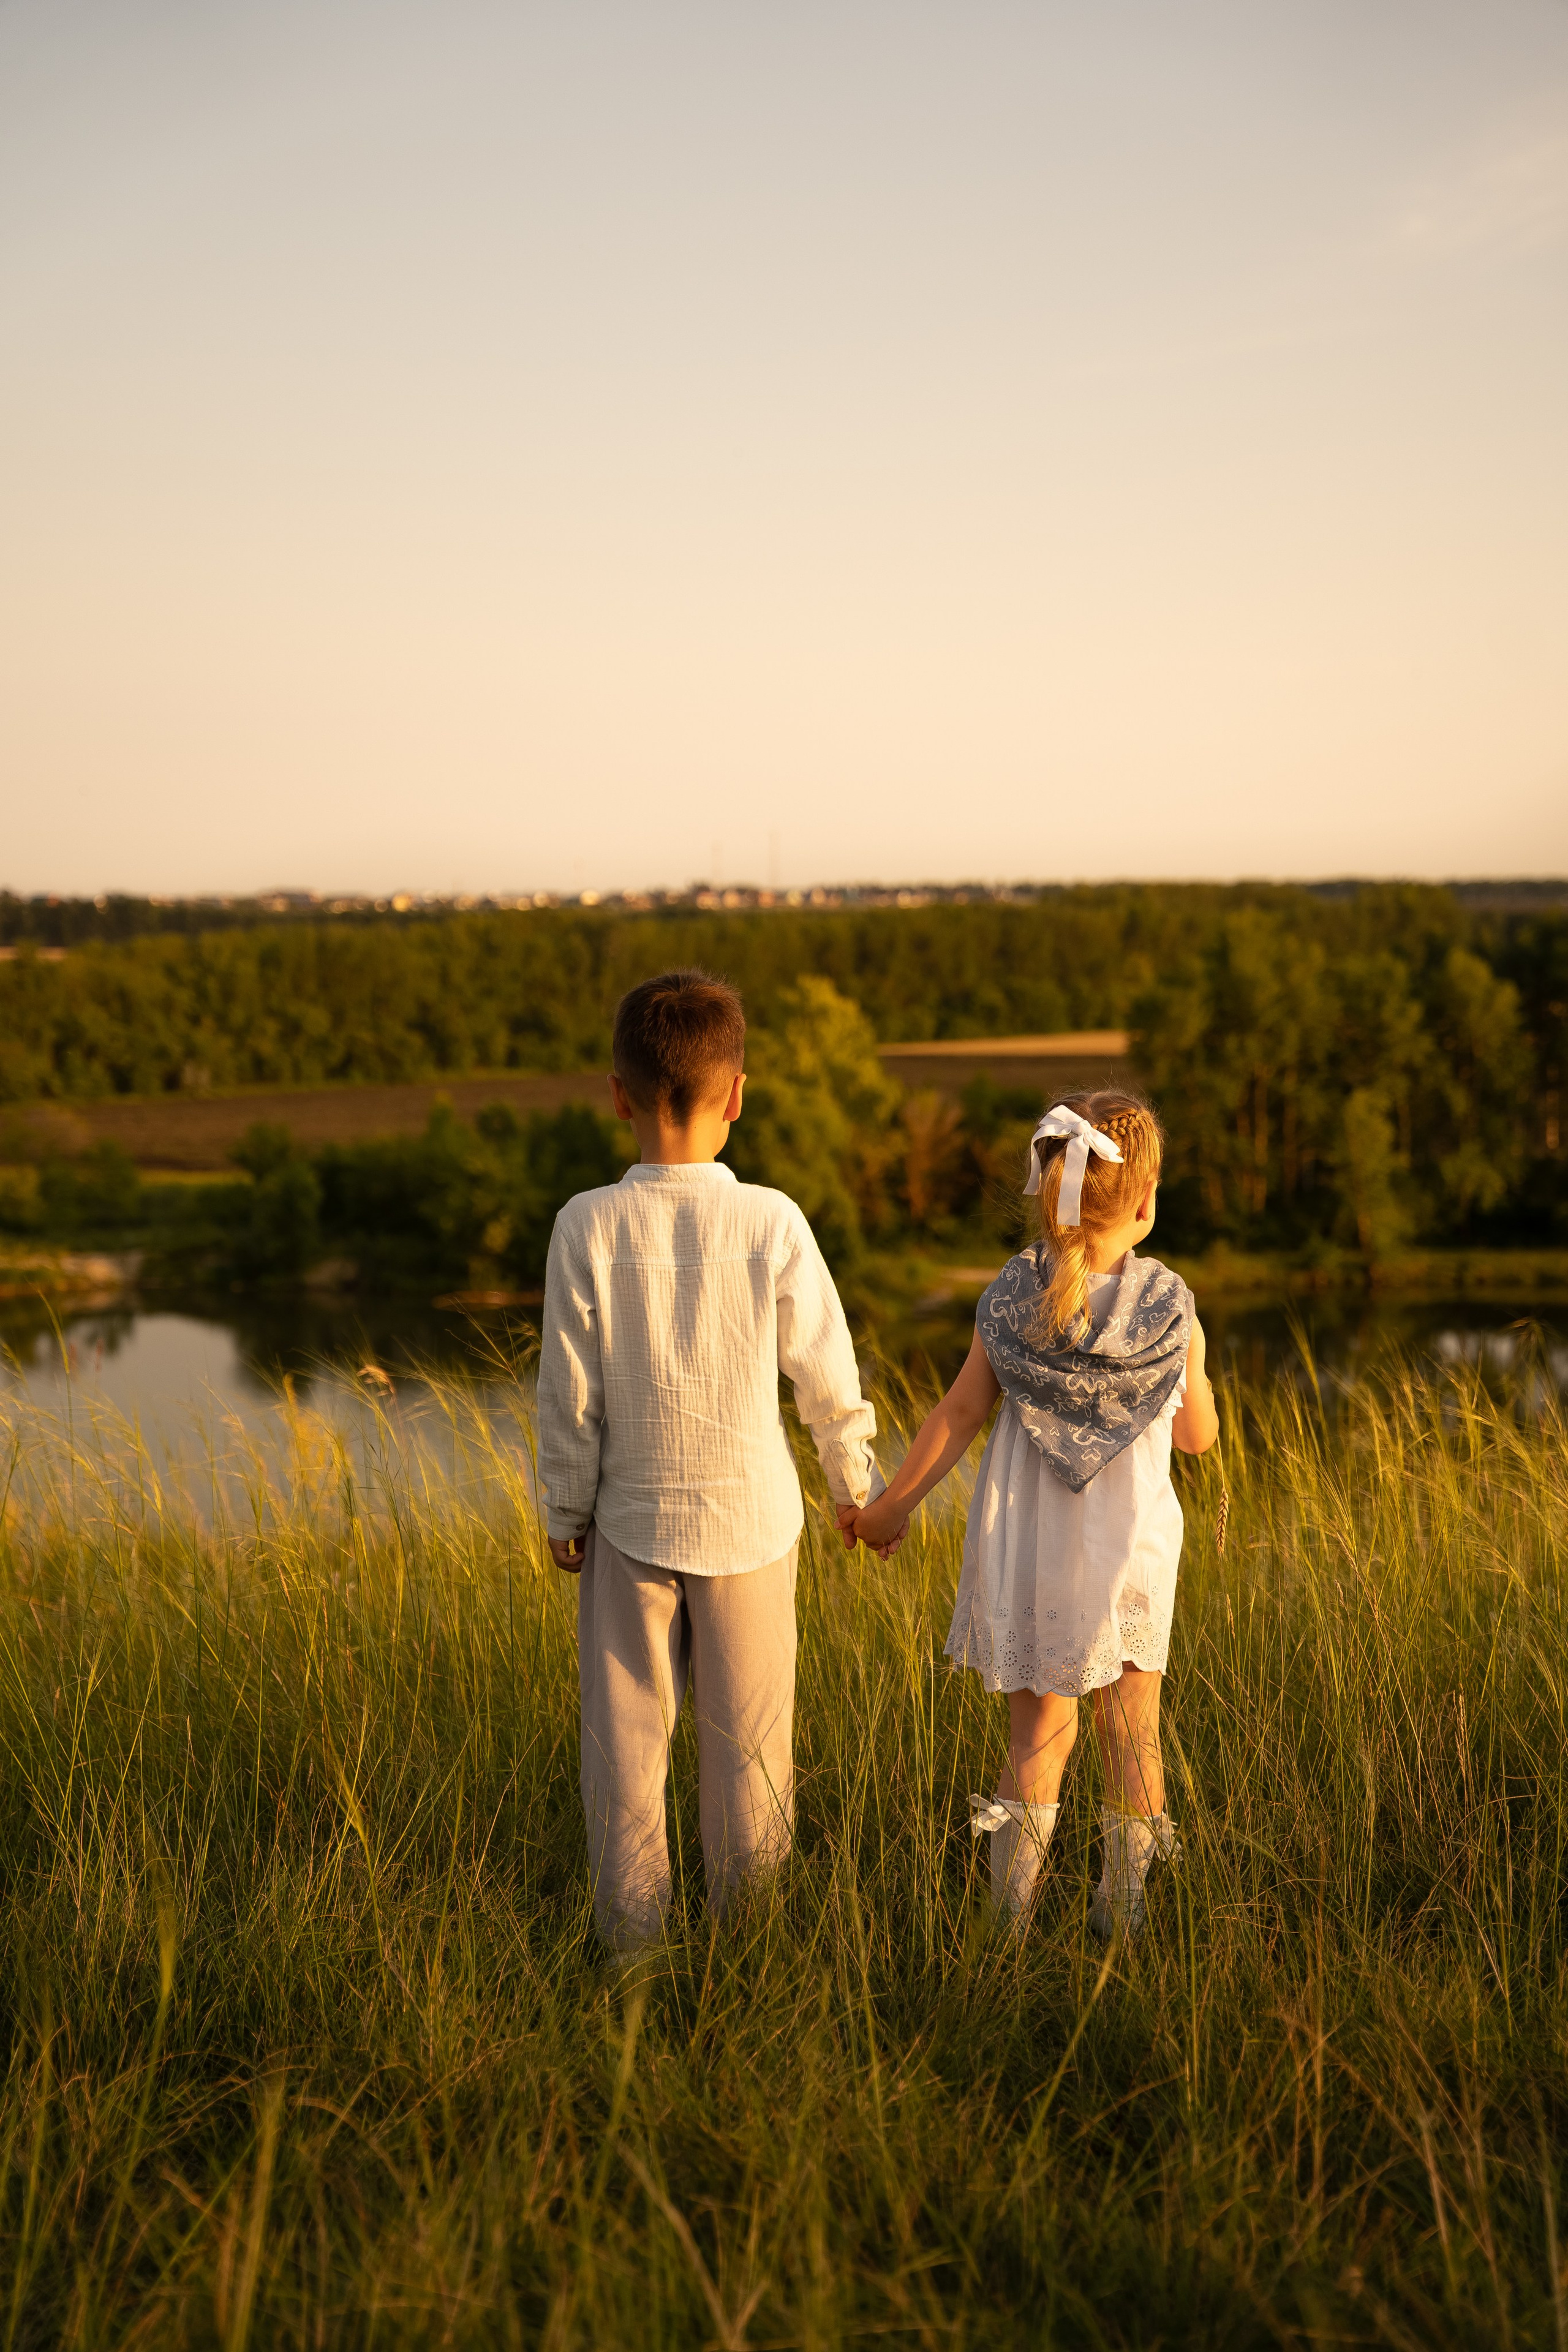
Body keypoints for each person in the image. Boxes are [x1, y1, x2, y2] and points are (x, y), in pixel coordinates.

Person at [537, 967, 885, 1948]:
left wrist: (566, 1510)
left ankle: (634, 1959)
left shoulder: (584, 1225)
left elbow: (568, 1394)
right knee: (752, 1760)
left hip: (628, 1526)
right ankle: (755, 1952)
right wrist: (855, 1489)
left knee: (625, 1759)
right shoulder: (771, 1220)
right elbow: (828, 1373)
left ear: (618, 1097)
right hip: (753, 1528)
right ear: (737, 1095)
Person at [848, 1092, 1219, 1939]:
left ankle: (1006, 1927)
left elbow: (956, 1415)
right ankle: (1119, 1920)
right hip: (1133, 1555)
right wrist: (1200, 1382)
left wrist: (887, 1509)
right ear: (1148, 1195)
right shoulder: (1172, 1305)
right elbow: (1198, 1439)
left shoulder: (1014, 1292)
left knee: (1038, 1735)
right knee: (1134, 1734)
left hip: (1036, 1552)